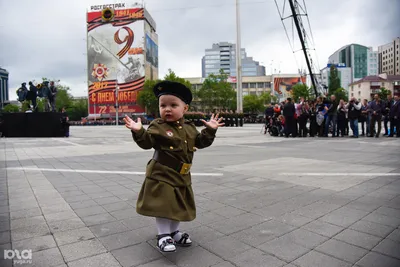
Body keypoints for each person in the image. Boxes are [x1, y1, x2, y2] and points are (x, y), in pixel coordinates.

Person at [123, 80, 224, 253]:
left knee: (177, 205)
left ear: (185, 108)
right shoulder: (158, 126)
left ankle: (173, 232)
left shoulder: (190, 128)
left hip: (182, 175)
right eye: (163, 105)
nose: (167, 109)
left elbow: (201, 142)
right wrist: (138, 131)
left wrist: (211, 130)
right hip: (161, 173)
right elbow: (147, 143)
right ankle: (163, 235)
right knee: (164, 205)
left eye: (173, 105)